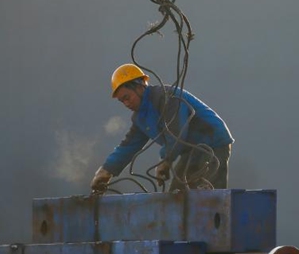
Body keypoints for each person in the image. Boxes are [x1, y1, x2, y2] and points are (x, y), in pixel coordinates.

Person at [90, 63, 234, 193]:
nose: (126, 104)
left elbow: (177, 131)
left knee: (209, 195)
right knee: (177, 196)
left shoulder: (165, 97)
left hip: (213, 142)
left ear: (139, 87)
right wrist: (105, 171)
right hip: (191, 149)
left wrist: (166, 161)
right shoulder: (140, 117)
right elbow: (128, 146)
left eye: (127, 97)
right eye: (122, 101)